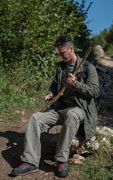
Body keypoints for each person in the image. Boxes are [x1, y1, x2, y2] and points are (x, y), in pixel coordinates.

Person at [11, 34, 99, 178]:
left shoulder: (88, 68)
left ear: (71, 49)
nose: (60, 56)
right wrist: (50, 93)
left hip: (80, 110)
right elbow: (53, 85)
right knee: (35, 118)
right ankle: (30, 162)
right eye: (58, 53)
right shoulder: (61, 68)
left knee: (72, 114)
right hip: (60, 108)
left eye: (62, 53)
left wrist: (76, 85)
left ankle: (61, 159)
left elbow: (95, 92)